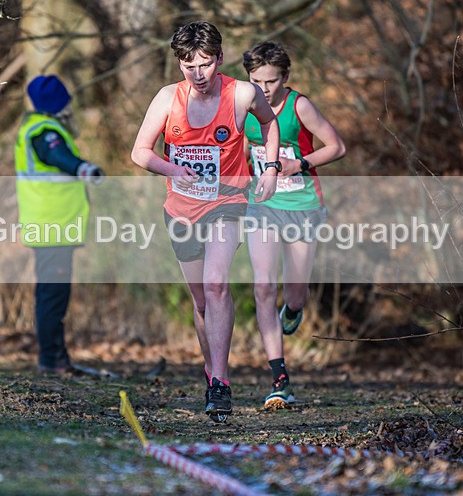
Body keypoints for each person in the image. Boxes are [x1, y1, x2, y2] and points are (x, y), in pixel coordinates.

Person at [131, 21, 281, 422]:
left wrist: (268, 168)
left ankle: (221, 383)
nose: (197, 75)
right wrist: (172, 170)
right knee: (200, 302)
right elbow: (139, 152)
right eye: (187, 66)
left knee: (217, 284)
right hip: (180, 209)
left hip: (227, 202)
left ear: (219, 58)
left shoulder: (243, 93)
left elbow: (269, 123)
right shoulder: (167, 99)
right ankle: (211, 370)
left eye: (204, 65)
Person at [242, 42, 346, 409]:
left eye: (271, 81)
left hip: (302, 205)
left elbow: (337, 146)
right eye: (256, 81)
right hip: (263, 205)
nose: (264, 89)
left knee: (295, 293)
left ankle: (295, 307)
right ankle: (279, 377)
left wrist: (298, 163)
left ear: (285, 77)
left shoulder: (299, 105)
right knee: (263, 286)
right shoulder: (244, 105)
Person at [15, 74, 105, 376]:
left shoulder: (35, 126)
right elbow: (57, 156)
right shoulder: (45, 131)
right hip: (51, 224)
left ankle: (57, 357)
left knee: (53, 293)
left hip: (51, 223)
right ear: (59, 102)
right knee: (53, 294)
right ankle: (51, 360)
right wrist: (83, 168)